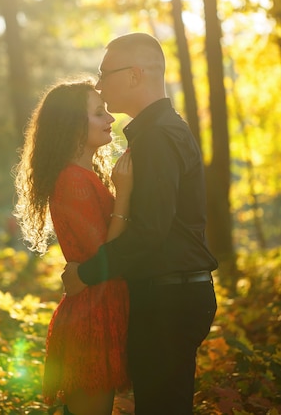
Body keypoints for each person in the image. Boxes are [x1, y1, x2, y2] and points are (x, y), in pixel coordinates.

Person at [62, 33, 218, 415]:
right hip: (169, 293)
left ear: (135, 75)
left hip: (169, 298)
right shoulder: (155, 133)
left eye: (105, 74)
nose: (99, 84)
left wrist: (88, 272)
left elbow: (150, 230)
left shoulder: (159, 137)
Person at [13, 79, 133, 415]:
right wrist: (124, 193)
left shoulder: (86, 175)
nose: (110, 119)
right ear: (73, 126)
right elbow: (106, 255)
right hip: (92, 314)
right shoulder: (72, 180)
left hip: (101, 304)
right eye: (99, 113)